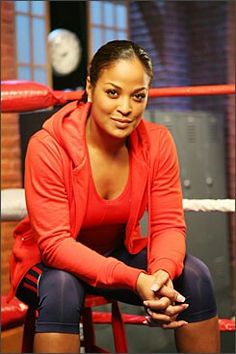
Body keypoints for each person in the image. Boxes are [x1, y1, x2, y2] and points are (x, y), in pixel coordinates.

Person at [9, 40, 220, 353]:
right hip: (46, 264)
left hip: (114, 253)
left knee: (194, 275)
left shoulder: (157, 142)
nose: (126, 108)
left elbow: (168, 225)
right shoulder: (49, 146)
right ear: (90, 88)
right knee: (62, 286)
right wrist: (136, 280)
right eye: (113, 92)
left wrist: (160, 276)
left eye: (138, 96)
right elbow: (55, 246)